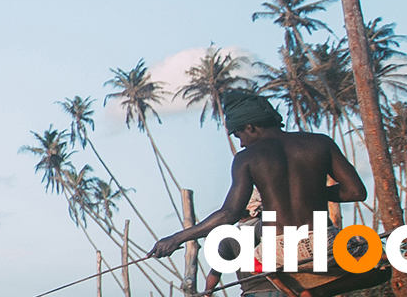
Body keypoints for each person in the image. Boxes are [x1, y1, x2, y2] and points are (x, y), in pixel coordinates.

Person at [148, 92, 388, 297]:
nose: (241, 143)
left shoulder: (247, 158)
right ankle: (315, 294)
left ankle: (302, 290)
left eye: (239, 135)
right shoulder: (320, 143)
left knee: (243, 250)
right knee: (383, 265)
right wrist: (314, 191)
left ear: (251, 127)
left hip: (276, 253)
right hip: (323, 244)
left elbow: (229, 213)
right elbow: (356, 192)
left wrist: (177, 238)